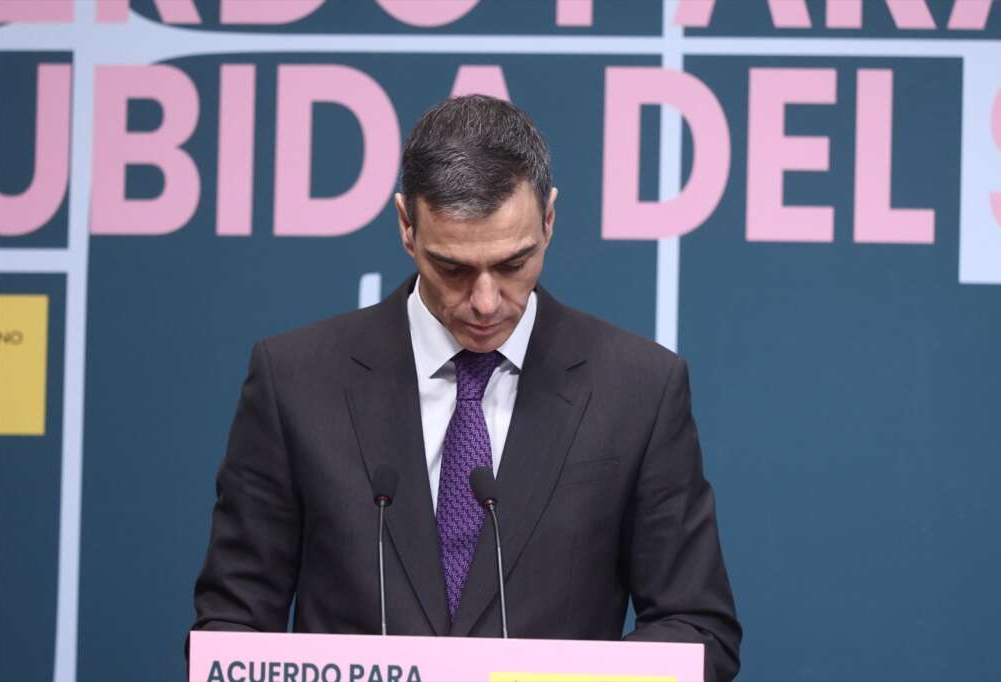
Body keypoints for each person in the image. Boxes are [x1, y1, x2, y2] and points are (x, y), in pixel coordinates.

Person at [192, 95, 741, 681]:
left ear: (549, 220)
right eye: (453, 268)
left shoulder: (638, 389)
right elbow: (233, 625)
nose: (484, 302)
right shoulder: (295, 380)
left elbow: (696, 629)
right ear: (407, 226)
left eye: (513, 263)